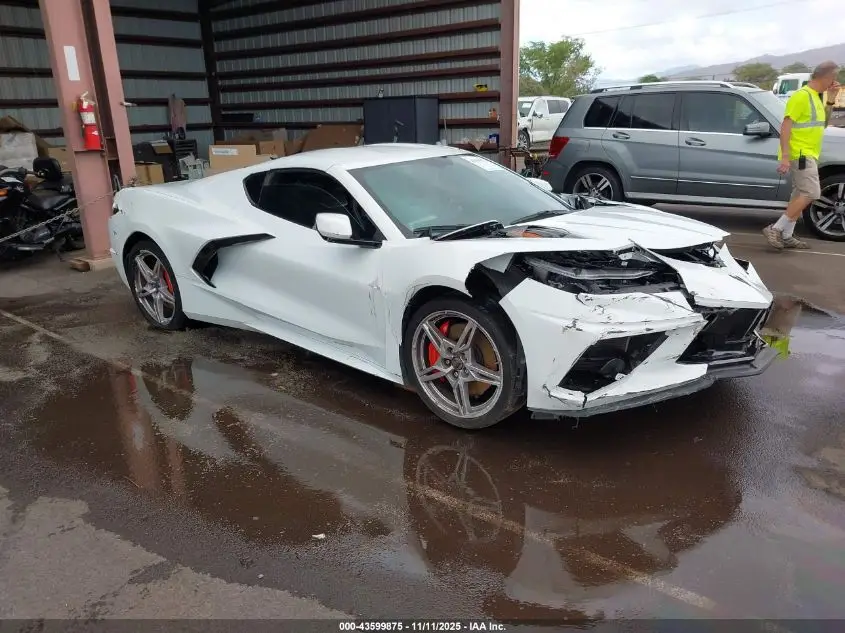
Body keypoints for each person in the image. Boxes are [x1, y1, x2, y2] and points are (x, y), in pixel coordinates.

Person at [763, 61, 841, 249]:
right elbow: (786, 126)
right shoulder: (801, 96)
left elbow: (821, 125)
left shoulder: (815, 97)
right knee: (811, 192)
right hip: (801, 153)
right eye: (834, 78)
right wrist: (785, 156)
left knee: (799, 195)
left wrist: (831, 99)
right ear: (827, 77)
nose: (835, 81)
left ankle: (787, 235)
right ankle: (776, 228)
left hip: (810, 153)